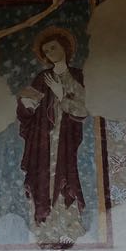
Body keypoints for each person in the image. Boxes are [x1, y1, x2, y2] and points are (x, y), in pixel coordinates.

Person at [16, 30, 89, 240]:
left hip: (65, 139)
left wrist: (61, 93)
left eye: (53, 47)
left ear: (65, 47)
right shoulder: (42, 78)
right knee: (41, 180)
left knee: (66, 178)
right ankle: (45, 226)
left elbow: (82, 109)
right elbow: (26, 109)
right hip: (42, 140)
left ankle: (69, 226)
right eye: (47, 51)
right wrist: (25, 104)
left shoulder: (77, 76)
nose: (50, 52)